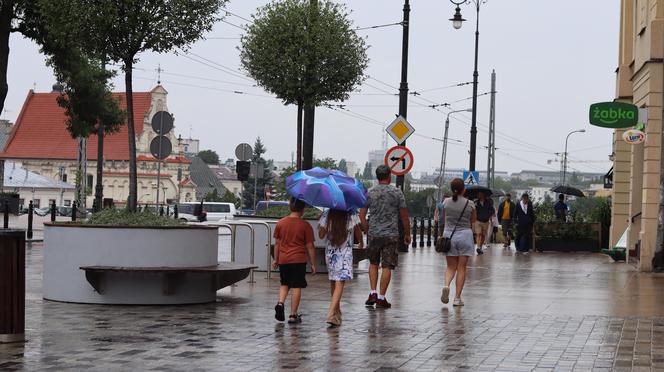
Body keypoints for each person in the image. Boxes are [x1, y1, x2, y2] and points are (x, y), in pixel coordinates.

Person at [359, 165, 411, 309]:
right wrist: (407, 234)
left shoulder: (369, 193)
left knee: (373, 263)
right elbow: (404, 217)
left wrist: (366, 229)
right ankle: (382, 297)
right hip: (391, 235)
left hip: (374, 234)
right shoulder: (397, 193)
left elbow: (361, 215)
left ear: (377, 177)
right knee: (387, 265)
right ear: (389, 176)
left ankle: (372, 292)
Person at [272, 198, 316, 324]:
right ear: (303, 210)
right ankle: (293, 315)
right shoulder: (305, 225)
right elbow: (310, 246)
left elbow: (277, 244)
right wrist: (313, 263)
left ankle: (280, 303)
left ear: (290, 207)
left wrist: (276, 259)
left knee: (284, 283)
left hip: (284, 260)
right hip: (298, 260)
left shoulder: (281, 223)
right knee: (296, 286)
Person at [318, 209, 363, 327]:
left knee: (333, 281)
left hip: (330, 253)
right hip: (344, 254)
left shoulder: (327, 214)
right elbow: (358, 231)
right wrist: (361, 243)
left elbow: (321, 235)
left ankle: (336, 314)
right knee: (339, 283)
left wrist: (323, 223)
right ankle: (331, 313)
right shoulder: (351, 213)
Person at [441, 178, 477, 307]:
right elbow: (473, 221)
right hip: (465, 236)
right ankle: (457, 298)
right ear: (464, 189)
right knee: (462, 268)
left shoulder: (445, 202)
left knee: (451, 267)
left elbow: (444, 219)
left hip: (449, 236)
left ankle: (446, 285)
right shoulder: (470, 204)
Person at [474, 191, 495, 255]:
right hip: (478, 220)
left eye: (480, 194)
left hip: (485, 221)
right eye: (478, 194)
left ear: (483, 195)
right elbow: (473, 210)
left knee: (483, 235)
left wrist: (488, 215)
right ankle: (477, 247)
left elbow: (492, 211)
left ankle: (480, 247)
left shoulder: (488, 203)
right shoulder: (476, 203)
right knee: (478, 234)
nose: (479, 195)